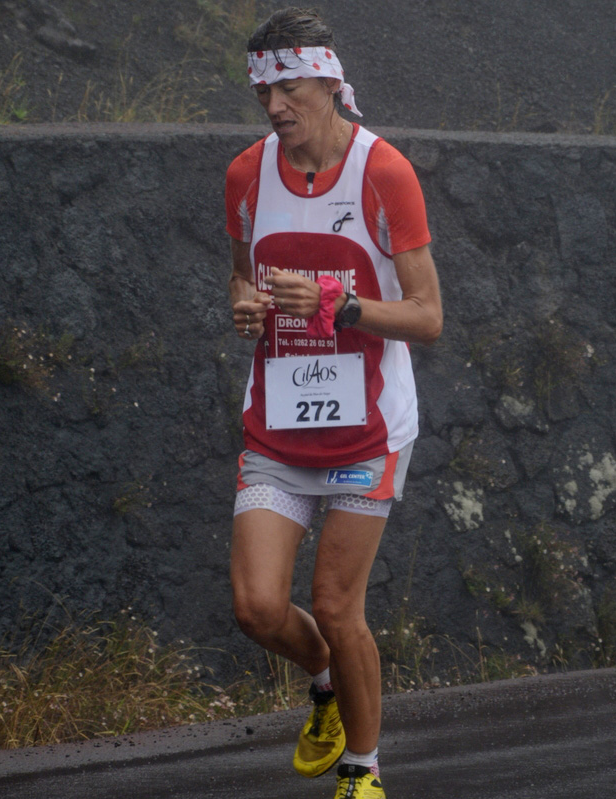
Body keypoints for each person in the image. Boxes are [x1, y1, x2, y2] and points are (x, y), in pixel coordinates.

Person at [224, 7, 442, 798]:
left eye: (289, 88)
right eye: (263, 93)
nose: (276, 106)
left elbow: (428, 317)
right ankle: (324, 678)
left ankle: (362, 767)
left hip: (367, 431)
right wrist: (244, 302)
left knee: (335, 604)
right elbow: (241, 272)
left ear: (328, 82)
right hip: (279, 427)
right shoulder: (246, 175)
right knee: (256, 606)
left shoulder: (384, 172)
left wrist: (338, 305)